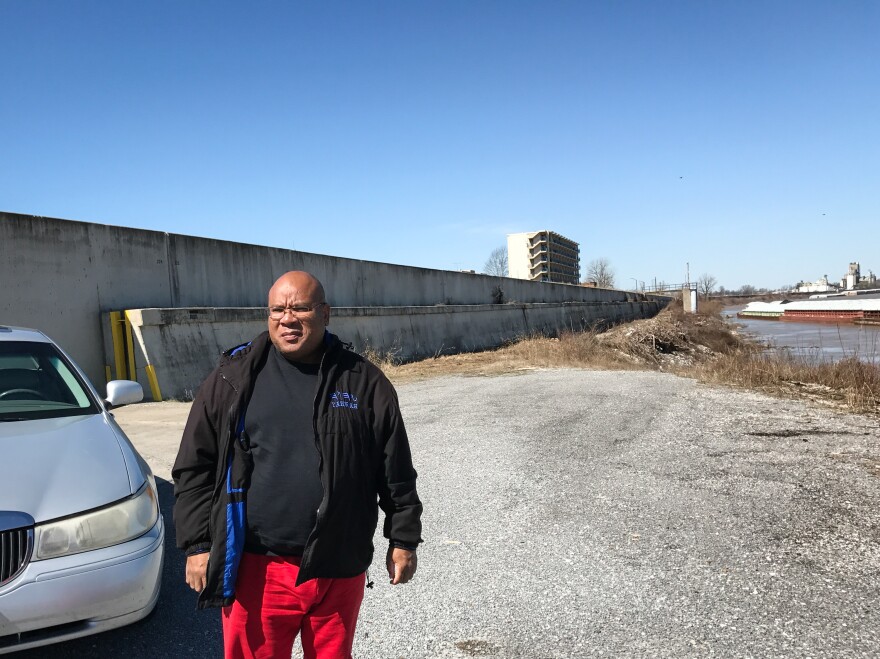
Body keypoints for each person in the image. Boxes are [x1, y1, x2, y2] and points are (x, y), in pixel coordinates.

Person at [172, 270, 423, 659]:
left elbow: (395, 468)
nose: (287, 319)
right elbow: (194, 466)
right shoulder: (232, 379)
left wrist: (403, 538)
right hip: (258, 568)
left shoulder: (363, 382)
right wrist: (197, 544)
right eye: (277, 310)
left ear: (325, 313)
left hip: (338, 565)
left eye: (300, 308)